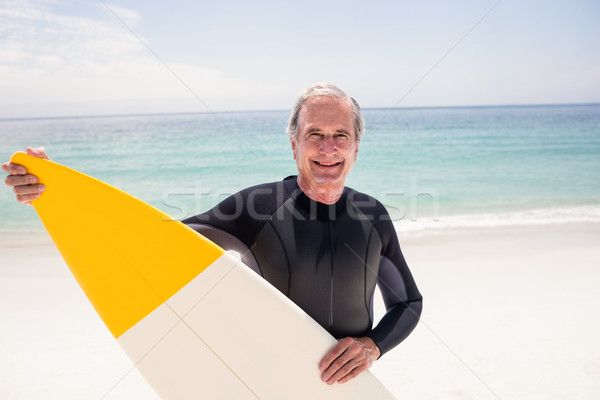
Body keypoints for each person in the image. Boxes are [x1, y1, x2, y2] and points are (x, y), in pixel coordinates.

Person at [3, 83, 422, 386]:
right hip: (264, 383)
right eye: (314, 135)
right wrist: (53, 189)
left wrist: (373, 346)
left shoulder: (374, 216)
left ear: (356, 146)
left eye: (339, 136)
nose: (327, 148)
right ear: (294, 145)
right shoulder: (256, 208)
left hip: (348, 389)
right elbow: (153, 238)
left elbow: (408, 303)